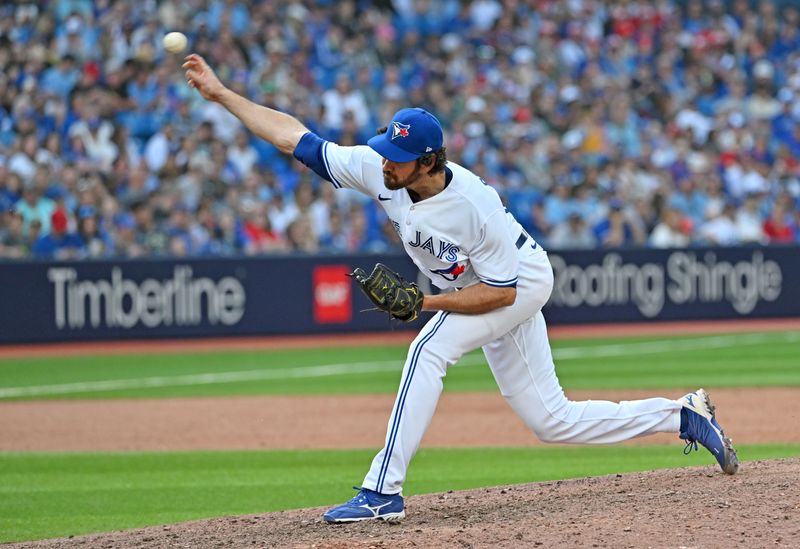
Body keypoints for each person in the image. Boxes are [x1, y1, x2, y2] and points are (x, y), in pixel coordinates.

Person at [182, 54, 739, 523]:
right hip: (482, 287)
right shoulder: (380, 169)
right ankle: (683, 415)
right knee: (552, 420)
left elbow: (500, 293)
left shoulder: (473, 205)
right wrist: (223, 94)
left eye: (397, 159)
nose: (384, 163)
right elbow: (296, 139)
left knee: (429, 347)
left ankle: (383, 491)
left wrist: (422, 304)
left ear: (428, 161)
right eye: (384, 151)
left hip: (519, 281)